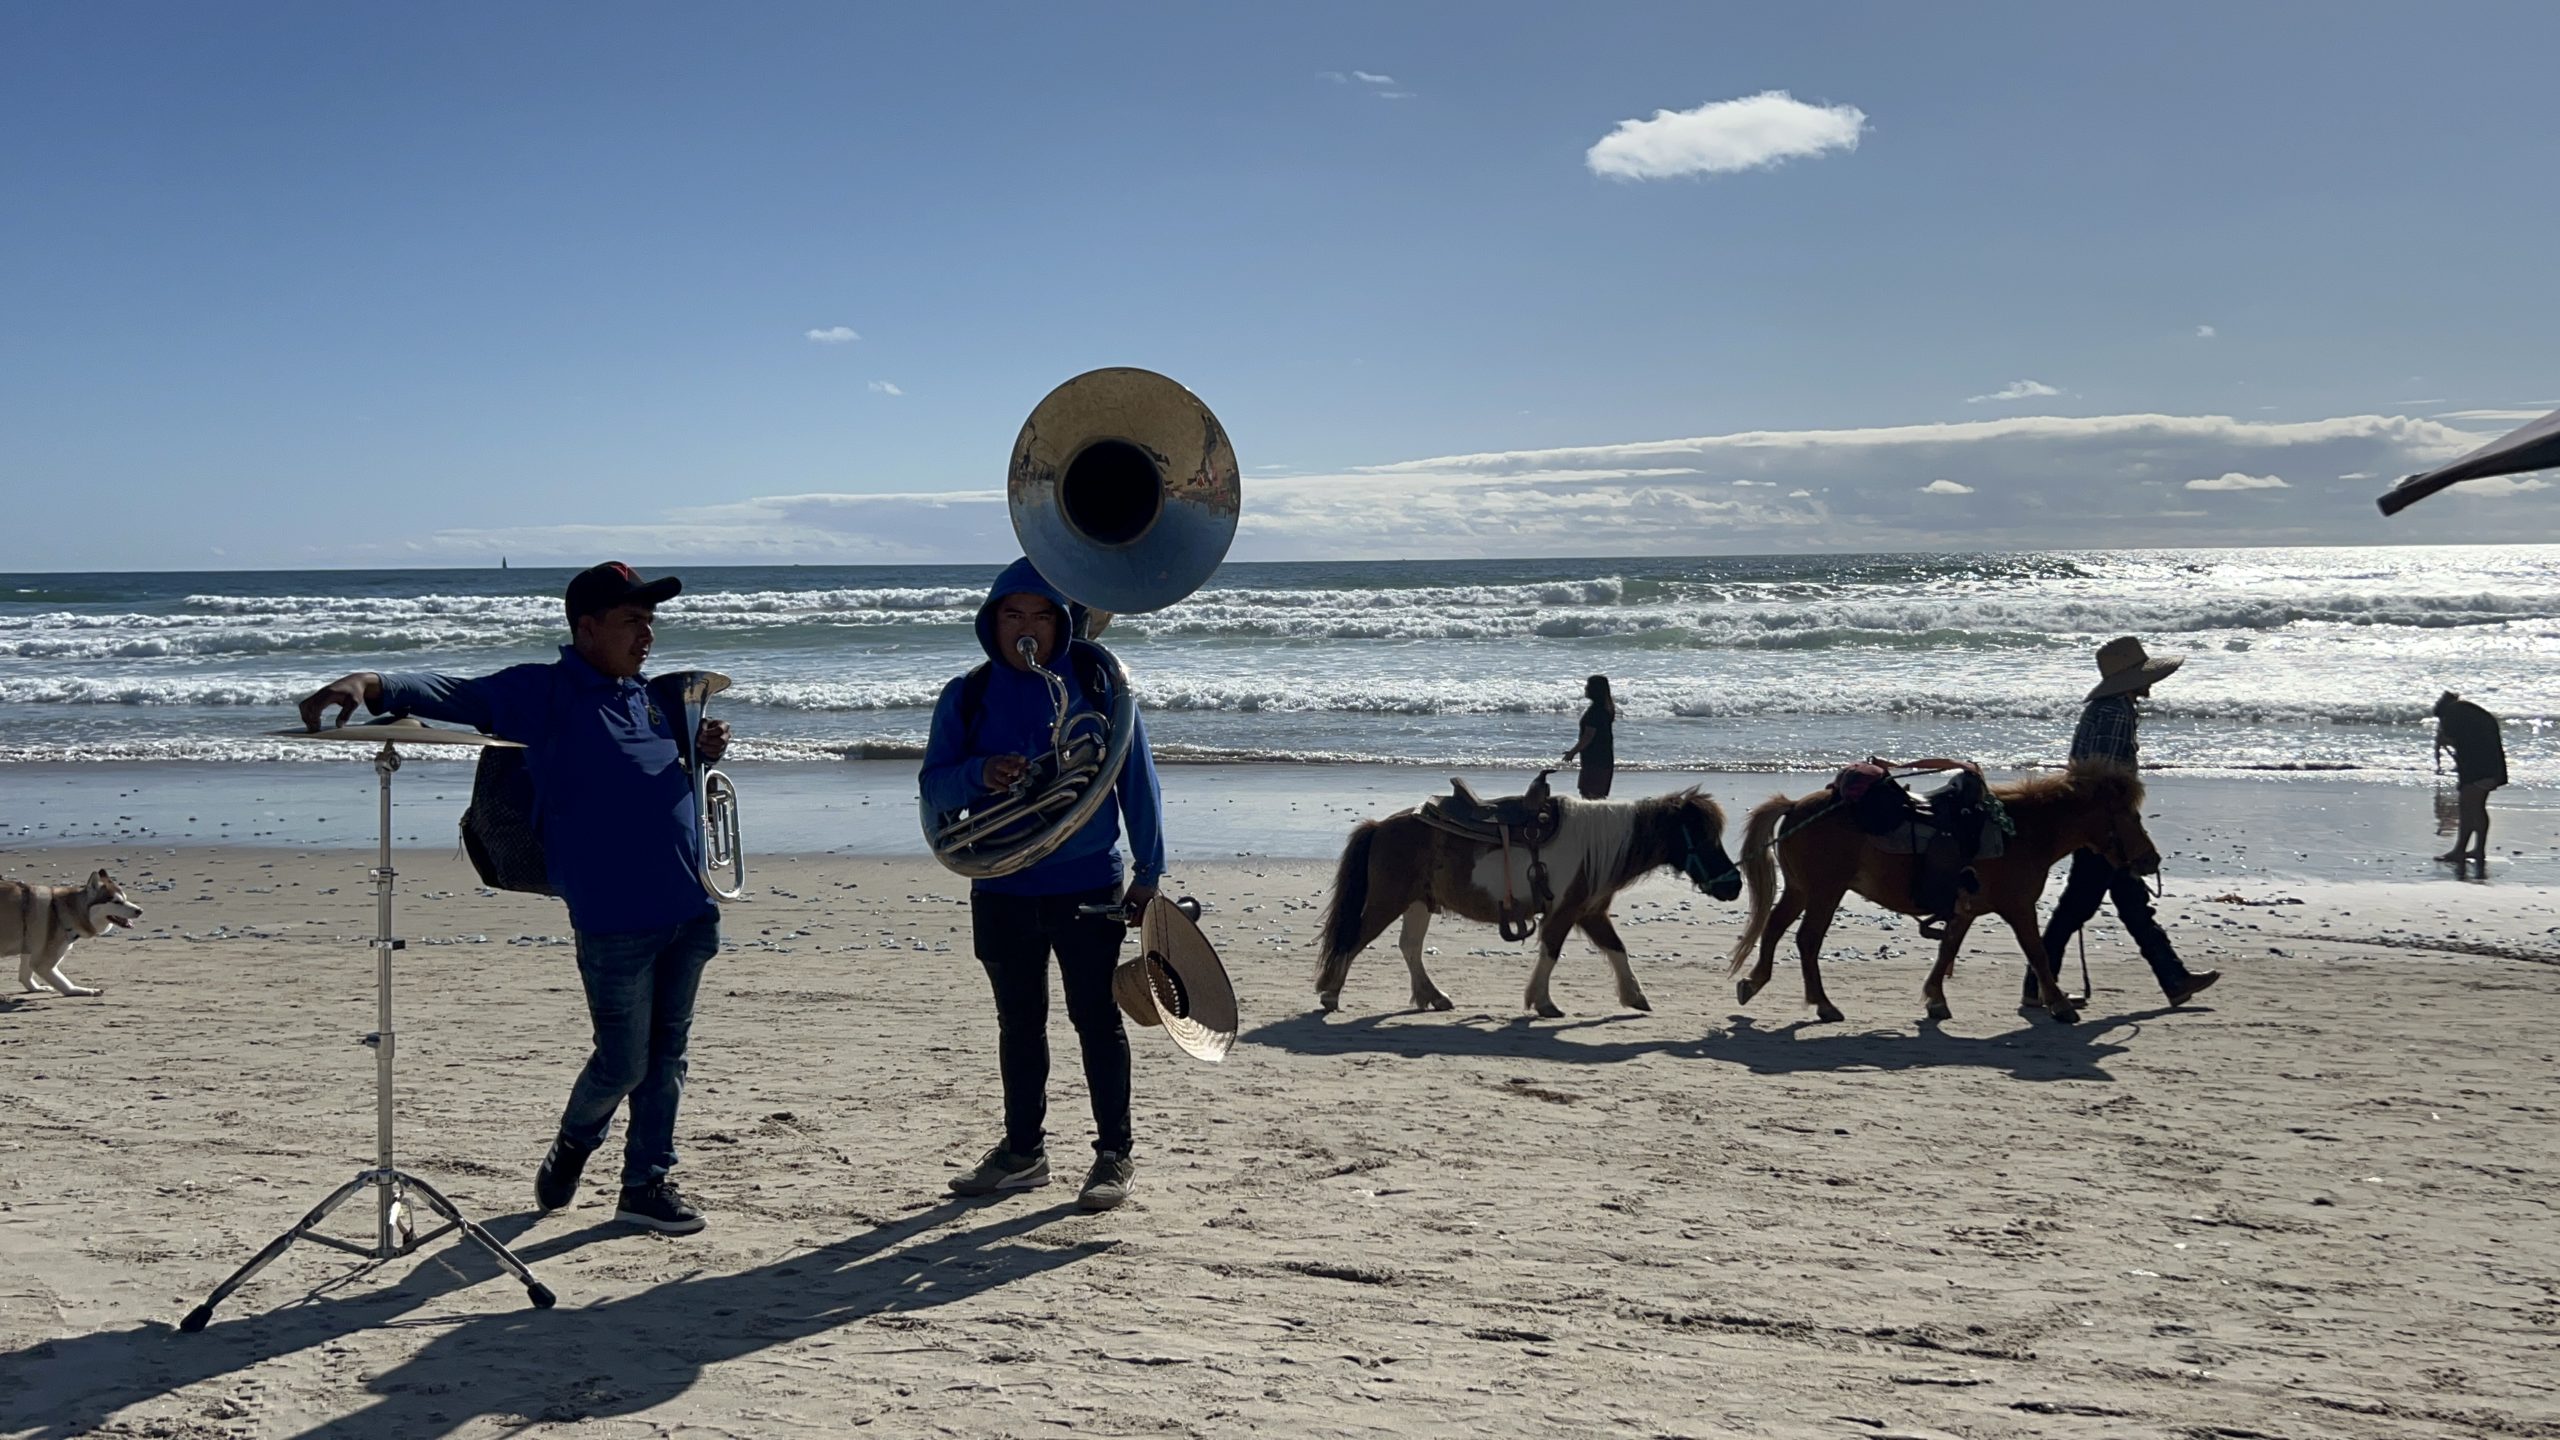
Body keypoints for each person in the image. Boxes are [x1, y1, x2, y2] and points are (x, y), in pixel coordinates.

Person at [298, 562, 728, 1235]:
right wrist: (370, 682)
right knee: (623, 1061)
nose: (647, 634)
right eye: (631, 621)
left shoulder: (647, 696)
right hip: (614, 916)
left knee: (668, 1055)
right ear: (587, 628)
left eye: (650, 622)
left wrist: (703, 748)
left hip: (689, 904)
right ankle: (573, 1144)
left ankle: (645, 1184)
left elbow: (664, 772)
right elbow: (454, 692)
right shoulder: (542, 692)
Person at [920, 558, 1166, 1212]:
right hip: (1002, 885)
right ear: (991, 623)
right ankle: (1023, 1152)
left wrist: (1149, 871)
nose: (1025, 628)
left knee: (1097, 1020)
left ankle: (1114, 1153)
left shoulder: (1100, 687)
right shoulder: (966, 695)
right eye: (1011, 615)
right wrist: (980, 775)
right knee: (1019, 1023)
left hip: (1086, 883)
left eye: (1040, 616)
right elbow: (934, 787)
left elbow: (1136, 782)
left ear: (1062, 624)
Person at [2024, 636, 2220, 1009]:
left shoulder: (2108, 708)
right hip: (2105, 827)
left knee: (2130, 904)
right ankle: (2037, 986)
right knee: (2078, 907)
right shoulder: (2115, 712)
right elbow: (2108, 779)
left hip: (2098, 823)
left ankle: (2174, 979)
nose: (2149, 684)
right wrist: (2124, 825)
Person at [2432, 690, 2507, 866]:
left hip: (2477, 768)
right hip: (2492, 766)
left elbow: (2450, 739)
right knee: (2478, 807)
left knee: (2467, 808)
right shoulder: (2471, 711)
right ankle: (2478, 849)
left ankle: (2460, 850)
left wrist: (2442, 741)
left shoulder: (2452, 714)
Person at [1560, 674, 1619, 800]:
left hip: (1594, 759)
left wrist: (1572, 752)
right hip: (1604, 758)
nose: (1585, 688)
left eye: (1588, 686)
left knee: (1589, 795)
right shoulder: (1606, 708)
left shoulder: (1595, 711)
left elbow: (1588, 736)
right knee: (1598, 797)